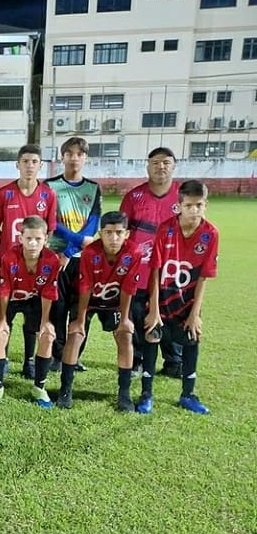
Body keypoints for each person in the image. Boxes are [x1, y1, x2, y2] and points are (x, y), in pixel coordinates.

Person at [143, 180, 219, 415]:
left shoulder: (211, 234)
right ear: (179, 206)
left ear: (205, 205)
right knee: (152, 338)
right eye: (189, 205)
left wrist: (195, 314)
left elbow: (204, 277)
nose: (194, 210)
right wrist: (153, 309)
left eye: (199, 205)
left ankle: (188, 394)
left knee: (191, 339)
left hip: (188, 302)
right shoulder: (165, 229)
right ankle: (146, 394)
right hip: (162, 298)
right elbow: (155, 270)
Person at [58, 211, 143, 411]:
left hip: (115, 301)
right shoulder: (90, 252)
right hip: (90, 298)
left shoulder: (134, 253)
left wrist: (123, 319)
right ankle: (65, 390)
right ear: (100, 233)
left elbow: (128, 288)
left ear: (127, 234)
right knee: (75, 335)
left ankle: (124, 394)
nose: (114, 238)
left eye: (119, 233)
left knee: (125, 336)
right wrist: (79, 320)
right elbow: (85, 286)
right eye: (108, 232)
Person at [0, 144, 57, 379]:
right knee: (3, 315)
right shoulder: (4, 193)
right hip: (8, 266)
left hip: (35, 267)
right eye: (25, 161)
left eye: (34, 162)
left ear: (40, 165)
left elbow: (51, 229)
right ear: (17, 164)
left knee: (32, 319)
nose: (29, 166)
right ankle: (3, 357)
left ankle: (29, 360)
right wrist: (10, 248)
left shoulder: (48, 194)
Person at [0, 216, 61, 409]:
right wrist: (1, 319)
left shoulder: (52, 259)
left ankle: (39, 387)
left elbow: (48, 292)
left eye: (38, 239)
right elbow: (4, 290)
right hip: (10, 298)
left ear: (46, 239)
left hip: (35, 299)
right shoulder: (9, 257)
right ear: (21, 238)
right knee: (0, 334)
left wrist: (45, 322)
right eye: (29, 239)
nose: (33, 243)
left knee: (47, 336)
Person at [120, 147, 182, 378]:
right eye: (155, 162)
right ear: (148, 166)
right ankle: (137, 360)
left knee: (171, 314)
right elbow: (123, 233)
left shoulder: (182, 196)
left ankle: (174, 360)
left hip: (172, 271)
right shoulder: (133, 197)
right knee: (137, 314)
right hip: (141, 270)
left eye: (166, 162)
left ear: (174, 166)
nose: (161, 167)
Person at [45, 137, 102, 372]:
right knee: (57, 308)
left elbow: (94, 222)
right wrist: (72, 246)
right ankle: (57, 357)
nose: (74, 158)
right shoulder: (49, 186)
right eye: (70, 153)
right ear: (63, 157)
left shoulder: (93, 188)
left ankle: (74, 355)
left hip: (83, 260)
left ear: (85, 158)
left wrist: (72, 250)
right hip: (56, 257)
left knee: (82, 310)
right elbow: (51, 222)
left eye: (79, 154)